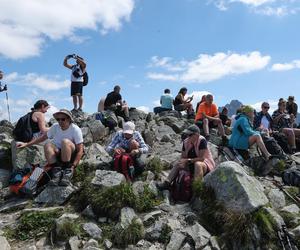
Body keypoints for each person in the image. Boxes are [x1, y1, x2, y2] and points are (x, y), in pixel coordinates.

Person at [17, 109, 84, 186]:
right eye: (58, 119)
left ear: (69, 119)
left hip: (71, 155)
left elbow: (80, 150)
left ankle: (67, 171)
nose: (60, 121)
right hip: (59, 154)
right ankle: (57, 171)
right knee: (48, 144)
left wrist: (73, 165)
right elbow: (43, 137)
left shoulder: (75, 129)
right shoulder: (55, 127)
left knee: (65, 141)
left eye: (63, 119)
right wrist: (26, 144)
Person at [156, 125, 215, 190]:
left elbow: (201, 158)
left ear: (197, 135)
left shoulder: (202, 141)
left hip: (205, 165)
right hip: (191, 163)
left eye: (190, 135)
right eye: (187, 135)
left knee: (198, 164)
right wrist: (183, 162)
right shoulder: (186, 142)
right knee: (178, 163)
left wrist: (187, 161)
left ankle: (196, 189)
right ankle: (167, 183)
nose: (188, 137)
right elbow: (183, 157)